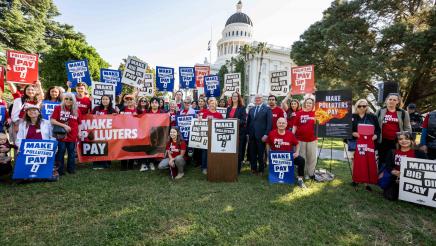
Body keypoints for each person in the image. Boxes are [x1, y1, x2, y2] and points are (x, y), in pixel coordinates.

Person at [383, 131, 427, 200]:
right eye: (400, 139)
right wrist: (393, 171)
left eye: (407, 139)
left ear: (411, 140)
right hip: (396, 179)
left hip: (414, 181)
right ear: (397, 141)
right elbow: (388, 166)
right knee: (390, 196)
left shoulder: (419, 154)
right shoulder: (392, 152)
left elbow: (426, 170)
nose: (404, 141)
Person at [267, 117, 306, 188]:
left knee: (301, 160)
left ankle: (300, 178)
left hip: (288, 158)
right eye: (279, 123)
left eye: (283, 123)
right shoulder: (272, 133)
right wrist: (268, 153)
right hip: (276, 158)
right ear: (276, 124)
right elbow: (267, 144)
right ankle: (275, 176)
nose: (281, 124)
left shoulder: (290, 134)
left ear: (286, 124)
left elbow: (297, 144)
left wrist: (297, 152)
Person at [351, 99, 381, 190]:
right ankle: (355, 179)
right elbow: (347, 129)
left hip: (369, 143)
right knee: (355, 160)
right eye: (360, 106)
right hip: (355, 142)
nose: (362, 108)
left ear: (367, 106)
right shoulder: (352, 116)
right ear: (356, 106)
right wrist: (353, 133)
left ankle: (366, 182)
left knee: (368, 160)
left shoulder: (372, 117)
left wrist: (375, 136)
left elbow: (378, 130)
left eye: (364, 106)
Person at [376, 93, 412, 168]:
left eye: (394, 100)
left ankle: (393, 177)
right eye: (390, 99)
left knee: (394, 160)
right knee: (382, 160)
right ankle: (381, 178)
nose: (392, 101)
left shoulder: (403, 113)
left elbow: (407, 128)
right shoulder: (380, 111)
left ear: (398, 102)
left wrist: (408, 140)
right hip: (382, 141)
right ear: (386, 100)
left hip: (396, 142)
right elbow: (374, 125)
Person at [50, 93, 82, 175]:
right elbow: (52, 120)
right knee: (61, 152)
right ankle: (59, 170)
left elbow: (79, 123)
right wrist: (64, 126)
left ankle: (71, 169)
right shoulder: (58, 108)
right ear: (63, 99)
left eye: (71, 99)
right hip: (61, 135)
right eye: (66, 98)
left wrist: (80, 132)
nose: (68, 101)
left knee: (71, 153)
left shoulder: (76, 110)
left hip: (73, 135)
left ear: (74, 100)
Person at [247, 94, 272, 175]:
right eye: (256, 98)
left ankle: (261, 169)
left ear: (262, 99)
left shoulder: (267, 109)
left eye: (259, 98)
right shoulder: (251, 109)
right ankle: (253, 169)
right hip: (252, 135)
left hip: (262, 136)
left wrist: (266, 134)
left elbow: (269, 123)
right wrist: (248, 133)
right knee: (252, 153)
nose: (257, 99)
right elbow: (249, 123)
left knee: (261, 153)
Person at [293, 97, 317, 179]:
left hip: (312, 139)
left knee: (312, 157)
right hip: (300, 139)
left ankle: (311, 173)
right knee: (302, 157)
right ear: (304, 103)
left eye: (310, 103)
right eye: (307, 103)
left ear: (313, 104)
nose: (308, 104)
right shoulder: (299, 113)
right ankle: (302, 173)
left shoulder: (315, 113)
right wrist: (292, 136)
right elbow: (295, 125)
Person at [139, 97, 166, 172]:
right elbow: (140, 121)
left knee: (154, 148)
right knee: (146, 147)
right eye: (153, 102)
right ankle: (144, 163)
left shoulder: (163, 113)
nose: (154, 104)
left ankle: (151, 162)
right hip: (147, 133)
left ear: (158, 104)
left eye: (156, 102)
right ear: (150, 104)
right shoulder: (146, 112)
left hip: (158, 134)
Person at [91, 95, 118, 169]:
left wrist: (116, 115)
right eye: (103, 99)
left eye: (106, 99)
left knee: (107, 147)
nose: (105, 101)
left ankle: (107, 163)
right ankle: (97, 164)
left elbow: (116, 121)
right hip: (97, 132)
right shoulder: (96, 108)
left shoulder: (112, 110)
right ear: (101, 100)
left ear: (109, 101)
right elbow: (90, 118)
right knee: (97, 147)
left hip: (107, 133)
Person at [200, 97, 223, 174]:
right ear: (208, 104)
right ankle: (204, 167)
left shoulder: (219, 115)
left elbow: (222, 126)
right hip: (206, 135)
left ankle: (214, 166)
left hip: (215, 137)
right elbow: (199, 124)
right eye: (210, 103)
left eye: (213, 103)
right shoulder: (204, 113)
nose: (212, 105)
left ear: (216, 104)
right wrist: (199, 119)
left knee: (215, 151)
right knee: (205, 152)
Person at [226, 92, 247, 173]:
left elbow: (243, 121)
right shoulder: (229, 108)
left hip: (239, 133)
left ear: (238, 98)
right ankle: (230, 166)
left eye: (236, 96)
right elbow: (227, 119)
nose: (234, 97)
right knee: (230, 150)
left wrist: (235, 121)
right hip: (230, 132)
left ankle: (237, 169)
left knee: (238, 151)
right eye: (233, 96)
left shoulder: (242, 108)